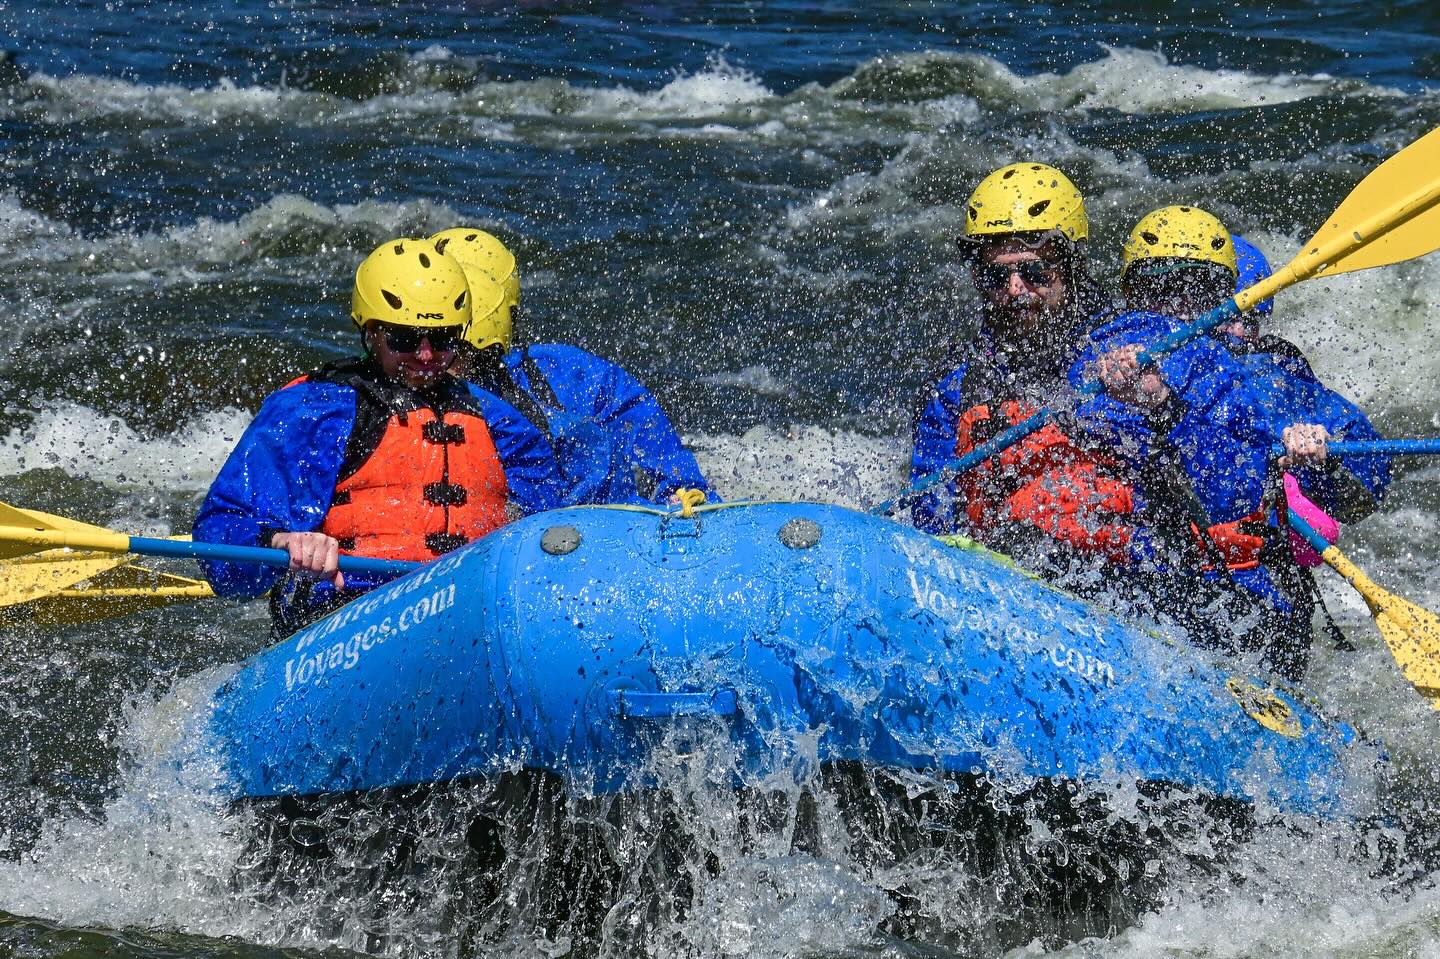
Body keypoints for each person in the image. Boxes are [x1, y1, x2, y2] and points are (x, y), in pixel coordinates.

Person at [910, 165, 1269, 595]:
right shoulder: (960, 383)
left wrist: (1161, 405)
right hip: (1008, 590)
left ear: (1073, 264)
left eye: (1035, 273)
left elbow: (1242, 490)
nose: (1014, 289)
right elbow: (929, 511)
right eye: (995, 277)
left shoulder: (1163, 347)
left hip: (1154, 594)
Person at [196, 238, 565, 636]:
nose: (425, 356)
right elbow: (222, 536)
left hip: (467, 613)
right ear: (371, 332)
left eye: (441, 339)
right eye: (406, 338)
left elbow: (557, 520)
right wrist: (281, 542)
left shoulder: (497, 419)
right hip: (349, 619)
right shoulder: (315, 411)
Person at [1109, 207, 1390, 679]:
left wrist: (1319, 461)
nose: (1239, 329)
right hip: (1159, 575)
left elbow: (1367, 487)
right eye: (1168, 294)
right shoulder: (1124, 354)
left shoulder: (1275, 376)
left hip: (1256, 595)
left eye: (1251, 316)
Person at [428, 227, 714, 506]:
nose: (427, 356)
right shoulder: (396, 394)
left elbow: (637, 419)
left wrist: (680, 487)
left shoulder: (559, 372)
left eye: (448, 343)